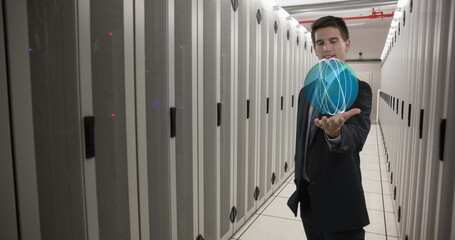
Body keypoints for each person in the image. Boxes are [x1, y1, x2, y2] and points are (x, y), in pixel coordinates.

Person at [287, 16, 372, 240]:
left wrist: (336, 133)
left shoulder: (359, 90)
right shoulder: (306, 93)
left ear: (347, 44)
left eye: (333, 41)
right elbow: (304, 141)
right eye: (320, 43)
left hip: (341, 203)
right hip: (309, 200)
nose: (327, 48)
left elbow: (357, 137)